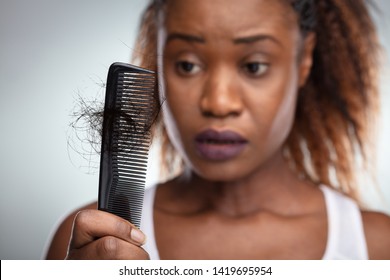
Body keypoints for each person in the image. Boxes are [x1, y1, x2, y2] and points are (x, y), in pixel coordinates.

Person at [45, 0, 390, 260]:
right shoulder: (89, 244)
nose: (218, 102)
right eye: (187, 65)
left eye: (254, 66)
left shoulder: (375, 246)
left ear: (304, 60)